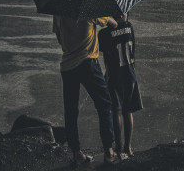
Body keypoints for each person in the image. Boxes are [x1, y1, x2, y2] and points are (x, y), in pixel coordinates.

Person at [52, 15, 120, 167]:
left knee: (71, 110)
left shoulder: (58, 12)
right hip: (88, 63)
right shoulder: (89, 8)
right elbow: (114, 24)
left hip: (67, 66)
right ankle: (109, 151)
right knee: (104, 105)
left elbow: (59, 39)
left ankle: (77, 153)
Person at [98, 13, 143, 158]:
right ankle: (128, 147)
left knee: (116, 111)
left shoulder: (104, 33)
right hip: (130, 74)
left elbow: (102, 51)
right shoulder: (130, 27)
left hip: (114, 76)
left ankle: (118, 147)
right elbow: (133, 50)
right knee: (127, 110)